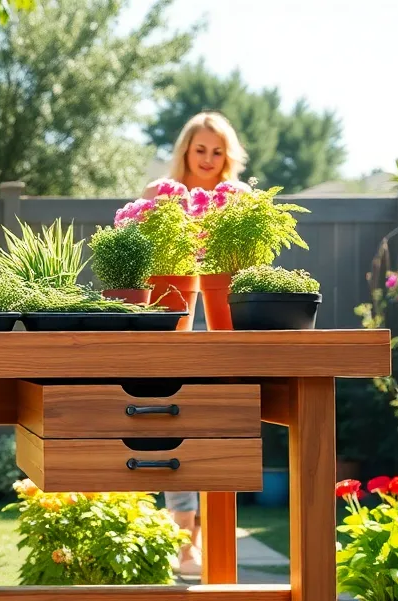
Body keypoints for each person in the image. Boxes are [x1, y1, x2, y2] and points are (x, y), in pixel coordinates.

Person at [142, 111, 250, 576]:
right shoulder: (161, 196)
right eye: (200, 148)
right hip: (173, 330)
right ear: (185, 149)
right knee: (175, 425)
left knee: (219, 428)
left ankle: (203, 539)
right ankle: (184, 543)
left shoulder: (239, 200)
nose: (208, 159)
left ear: (229, 156)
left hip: (227, 333)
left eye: (217, 151)